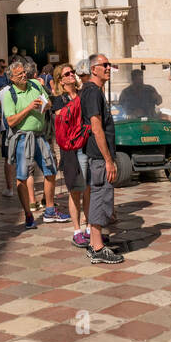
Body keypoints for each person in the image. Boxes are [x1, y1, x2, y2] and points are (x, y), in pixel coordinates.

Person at [1, 60, 65, 229]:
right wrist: (29, 108)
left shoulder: (35, 85)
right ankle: (28, 215)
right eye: (19, 74)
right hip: (23, 138)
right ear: (12, 78)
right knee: (22, 177)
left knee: (50, 170)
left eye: (24, 72)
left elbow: (49, 103)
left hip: (40, 135)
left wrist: (43, 105)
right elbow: (11, 121)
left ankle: (49, 210)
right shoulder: (9, 94)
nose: (24, 75)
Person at [79, 56, 123, 264]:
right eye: (104, 65)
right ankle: (97, 248)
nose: (108, 68)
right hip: (99, 156)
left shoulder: (93, 91)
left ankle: (94, 244)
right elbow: (96, 128)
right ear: (93, 69)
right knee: (100, 197)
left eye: (109, 64)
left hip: (98, 156)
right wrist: (108, 160)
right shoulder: (93, 92)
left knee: (99, 196)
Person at [51, 63, 91, 246]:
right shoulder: (59, 99)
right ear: (61, 80)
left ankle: (89, 226)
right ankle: (76, 230)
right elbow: (62, 119)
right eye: (67, 74)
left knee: (88, 188)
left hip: (87, 144)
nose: (72, 75)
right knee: (75, 190)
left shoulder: (83, 94)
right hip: (71, 149)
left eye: (72, 72)